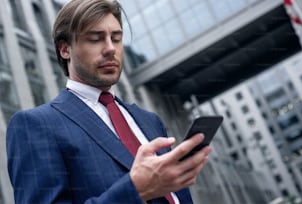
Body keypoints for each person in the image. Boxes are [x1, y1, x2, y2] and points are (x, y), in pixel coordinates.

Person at [6, 0, 212, 203]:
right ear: (65, 49)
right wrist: (136, 190)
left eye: (116, 38)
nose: (110, 48)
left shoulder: (150, 121)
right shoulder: (35, 126)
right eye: (95, 39)